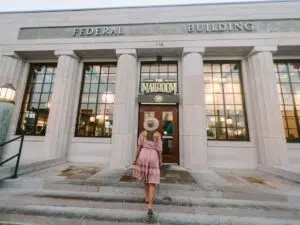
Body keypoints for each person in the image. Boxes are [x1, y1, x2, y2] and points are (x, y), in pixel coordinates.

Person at [133, 117, 162, 216]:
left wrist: (135, 158)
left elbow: (139, 146)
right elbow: (159, 149)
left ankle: (146, 197)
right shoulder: (158, 135)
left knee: (145, 178)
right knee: (152, 182)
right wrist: (161, 160)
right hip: (153, 156)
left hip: (143, 155)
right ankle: (150, 205)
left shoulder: (142, 134)